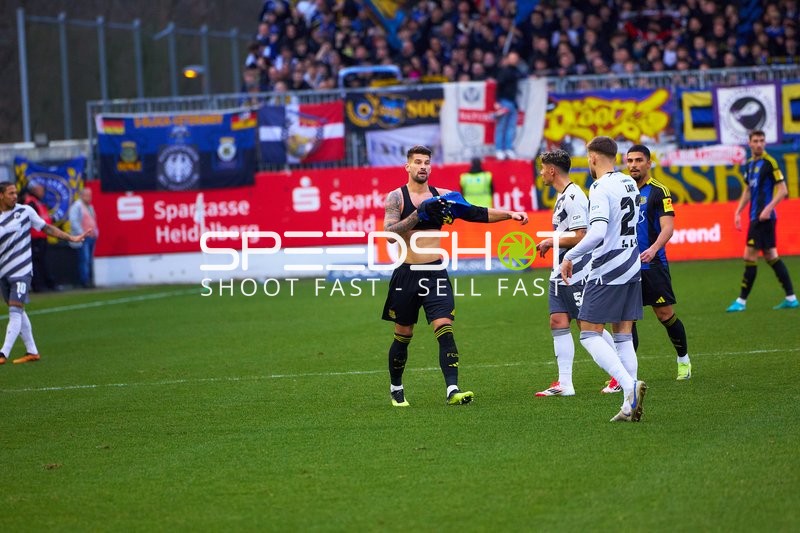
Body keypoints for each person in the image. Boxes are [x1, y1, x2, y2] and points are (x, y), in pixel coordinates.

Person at [382, 145, 528, 407]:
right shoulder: (396, 197)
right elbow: (389, 233)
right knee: (403, 334)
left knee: (444, 327)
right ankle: (396, 387)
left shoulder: (442, 196)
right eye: (418, 162)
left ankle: (453, 389)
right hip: (406, 274)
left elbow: (475, 212)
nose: (423, 166)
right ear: (408, 167)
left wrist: (509, 214)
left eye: (427, 162)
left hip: (435, 271)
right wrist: (419, 214)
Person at [559, 136, 647, 422]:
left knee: (588, 333)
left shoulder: (599, 187)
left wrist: (569, 257)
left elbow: (596, 233)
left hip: (608, 269)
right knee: (622, 336)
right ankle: (628, 404)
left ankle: (629, 386)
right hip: (632, 265)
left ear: (593, 157)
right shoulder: (629, 183)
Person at [534, 149, 615, 397]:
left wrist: (551, 240)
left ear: (552, 170)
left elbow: (582, 235)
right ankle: (565, 384)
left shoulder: (574, 196)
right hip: (559, 270)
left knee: (587, 324)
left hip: (576, 270)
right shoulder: (562, 196)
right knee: (557, 321)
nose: (540, 173)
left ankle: (620, 373)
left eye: (542, 168)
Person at [0, 182, 89, 364]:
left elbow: (47, 228)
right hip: (4, 272)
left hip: (22, 271)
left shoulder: (25, 211)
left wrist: (71, 237)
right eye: (10, 193)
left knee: (15, 310)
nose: (15, 196)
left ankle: (3, 353)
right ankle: (32, 351)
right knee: (18, 309)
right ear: (1, 196)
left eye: (16, 192)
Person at [727, 130, 797, 312]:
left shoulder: (769, 162)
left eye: (762, 140)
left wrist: (768, 209)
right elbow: (748, 190)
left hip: (763, 218)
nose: (759, 144)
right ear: (749, 143)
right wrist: (738, 211)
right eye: (755, 141)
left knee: (749, 255)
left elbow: (783, 190)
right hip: (754, 217)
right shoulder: (750, 164)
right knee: (771, 256)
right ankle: (791, 297)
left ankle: (741, 301)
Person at [22, 183, 55, 292]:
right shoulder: (30, 202)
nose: (43, 192)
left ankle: (46, 284)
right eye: (40, 190)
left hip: (42, 236)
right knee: (36, 262)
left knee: (42, 261)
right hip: (34, 237)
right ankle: (38, 286)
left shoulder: (39, 202)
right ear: (35, 190)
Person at [494, 51, 524, 161]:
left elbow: (523, 75)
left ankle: (508, 148)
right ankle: (499, 149)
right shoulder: (504, 72)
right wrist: (496, 101)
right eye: (512, 58)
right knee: (501, 126)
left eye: (515, 58)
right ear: (507, 59)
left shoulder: (516, 71)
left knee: (511, 127)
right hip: (504, 101)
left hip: (513, 102)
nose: (514, 60)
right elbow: (498, 86)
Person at [68, 188, 99, 288]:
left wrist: (96, 232)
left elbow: (93, 221)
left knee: (89, 260)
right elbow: (73, 221)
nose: (89, 197)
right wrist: (82, 233)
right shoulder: (77, 206)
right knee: (84, 259)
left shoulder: (90, 207)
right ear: (81, 195)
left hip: (91, 237)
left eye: (90, 195)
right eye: (87, 195)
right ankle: (84, 281)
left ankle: (89, 279)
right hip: (83, 238)